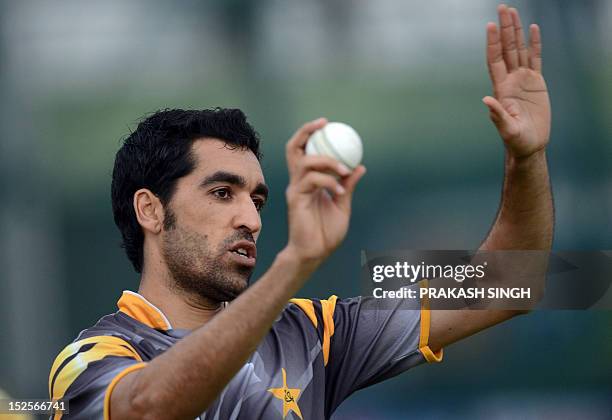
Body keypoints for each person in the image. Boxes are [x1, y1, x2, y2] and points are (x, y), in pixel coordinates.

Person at [48, 5, 552, 419]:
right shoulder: (92, 357)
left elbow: (513, 283)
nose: (250, 217)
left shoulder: (312, 333)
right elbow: (148, 409)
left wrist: (526, 158)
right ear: (150, 211)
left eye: (258, 199)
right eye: (223, 193)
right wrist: (295, 262)